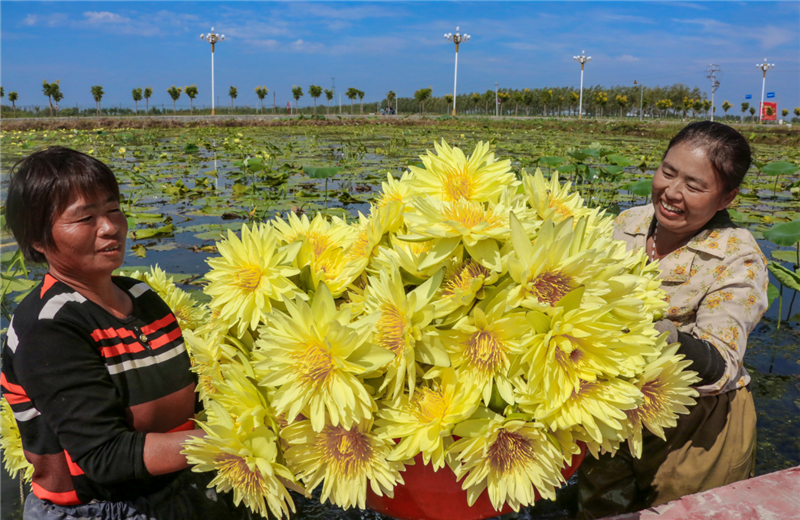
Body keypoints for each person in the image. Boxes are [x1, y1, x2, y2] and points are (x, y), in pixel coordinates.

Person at [1, 147, 242, 519]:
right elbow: (105, 456)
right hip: (100, 509)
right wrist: (237, 444)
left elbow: (192, 398)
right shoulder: (48, 329)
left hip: (177, 483)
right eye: (85, 218)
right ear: (39, 240)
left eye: (113, 210)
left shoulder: (141, 296)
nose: (110, 227)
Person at [578, 121, 769, 518]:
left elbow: (720, 361)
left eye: (695, 186)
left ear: (726, 197)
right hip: (614, 416)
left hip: (694, 433)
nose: (672, 192)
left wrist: (654, 332)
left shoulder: (738, 258)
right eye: (668, 172)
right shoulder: (628, 222)